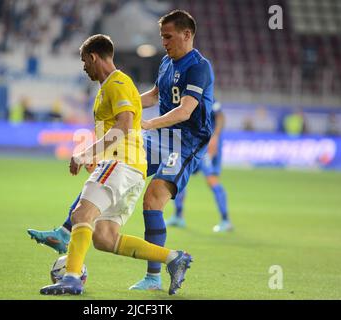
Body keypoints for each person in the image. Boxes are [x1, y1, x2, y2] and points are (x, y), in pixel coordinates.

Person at [28, 10, 214, 292]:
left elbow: (186, 111)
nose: (163, 42)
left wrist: (143, 121)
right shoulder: (166, 63)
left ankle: (154, 277)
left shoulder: (199, 66)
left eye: (168, 36)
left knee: (152, 200)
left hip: (184, 141)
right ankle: (64, 231)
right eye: (162, 36)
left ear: (187, 35)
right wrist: (125, 105)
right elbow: (153, 96)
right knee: (111, 168)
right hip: (159, 135)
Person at [167, 100, 233, 232]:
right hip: (190, 144)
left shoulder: (207, 97)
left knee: (211, 180)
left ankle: (226, 220)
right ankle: (178, 216)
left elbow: (220, 116)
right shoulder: (186, 96)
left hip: (206, 146)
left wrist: (215, 138)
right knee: (178, 177)